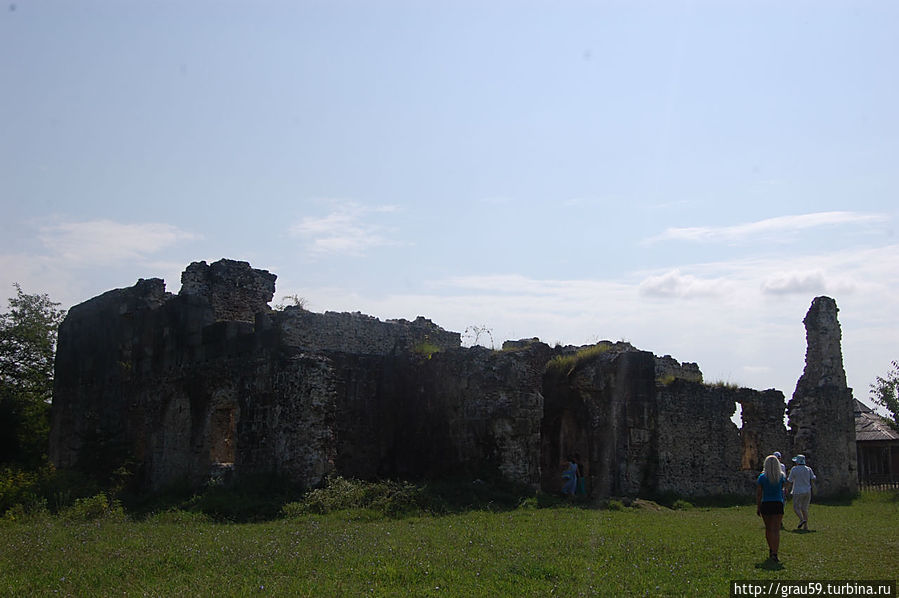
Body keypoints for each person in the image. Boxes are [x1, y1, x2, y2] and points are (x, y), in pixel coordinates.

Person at [756, 454, 786, 562]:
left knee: (768, 529)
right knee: (776, 530)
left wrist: (758, 506)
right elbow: (783, 489)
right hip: (778, 503)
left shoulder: (762, 477)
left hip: (766, 503)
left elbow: (759, 494)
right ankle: (775, 552)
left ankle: (771, 548)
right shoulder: (781, 476)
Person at [787, 454, 816, 530]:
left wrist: (786, 488)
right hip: (807, 490)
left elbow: (790, 480)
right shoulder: (808, 469)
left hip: (798, 491)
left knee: (796, 507)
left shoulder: (794, 469)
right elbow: (813, 478)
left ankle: (801, 519)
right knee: (804, 508)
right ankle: (805, 526)